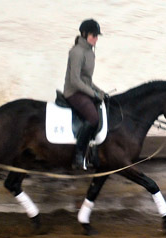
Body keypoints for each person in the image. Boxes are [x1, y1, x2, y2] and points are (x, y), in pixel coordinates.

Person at [63, 18, 107, 170]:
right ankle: (78, 154)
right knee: (93, 117)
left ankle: (93, 151)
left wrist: (99, 91)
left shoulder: (89, 52)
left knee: (103, 110)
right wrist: (94, 94)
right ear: (84, 34)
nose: (96, 39)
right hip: (73, 92)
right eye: (93, 35)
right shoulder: (77, 52)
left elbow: (87, 80)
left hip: (83, 89)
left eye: (96, 36)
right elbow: (75, 81)